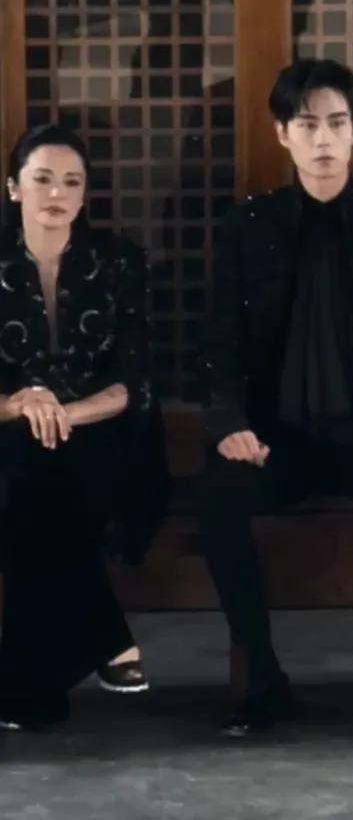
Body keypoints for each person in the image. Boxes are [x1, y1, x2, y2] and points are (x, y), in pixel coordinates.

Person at [198, 58, 353, 743]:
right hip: (277, 438)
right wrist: (228, 423)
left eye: (337, 124)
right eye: (307, 124)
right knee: (218, 496)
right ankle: (262, 679)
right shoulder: (249, 227)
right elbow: (218, 345)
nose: (323, 140)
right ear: (282, 134)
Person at [0, 125, 164, 730]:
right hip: (11, 440)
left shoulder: (118, 262)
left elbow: (133, 383)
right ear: (13, 188)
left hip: (107, 438)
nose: (57, 194)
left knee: (45, 470)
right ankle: (107, 638)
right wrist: (19, 405)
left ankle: (28, 692)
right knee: (32, 465)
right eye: (42, 179)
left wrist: (65, 413)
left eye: (71, 182)